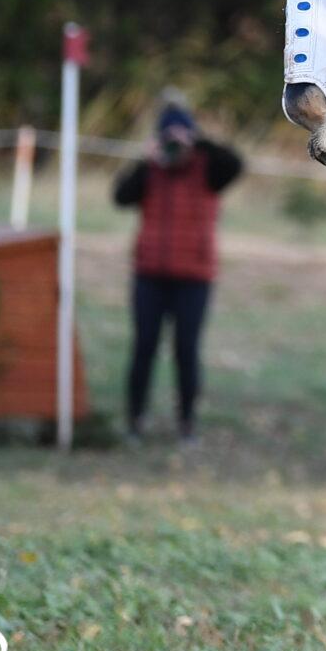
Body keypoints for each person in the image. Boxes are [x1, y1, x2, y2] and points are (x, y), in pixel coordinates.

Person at [111, 96, 241, 444]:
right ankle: (135, 420)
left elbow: (236, 164)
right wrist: (144, 160)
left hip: (194, 277)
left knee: (186, 350)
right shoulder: (150, 170)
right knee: (144, 348)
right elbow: (120, 197)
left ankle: (187, 422)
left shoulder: (208, 168)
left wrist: (198, 142)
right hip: (149, 275)